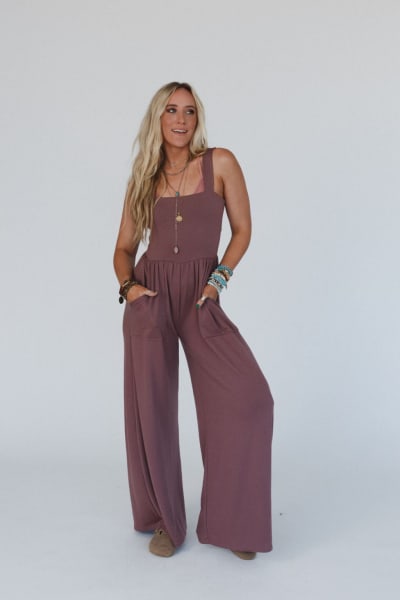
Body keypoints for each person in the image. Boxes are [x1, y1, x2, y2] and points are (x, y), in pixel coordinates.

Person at [113, 82, 274, 560]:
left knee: (250, 399)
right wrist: (130, 288)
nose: (180, 119)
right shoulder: (144, 178)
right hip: (152, 296)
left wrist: (217, 280)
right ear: (157, 119)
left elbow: (243, 230)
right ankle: (164, 519)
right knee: (152, 410)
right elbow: (123, 248)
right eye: (171, 110)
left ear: (197, 118)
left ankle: (233, 522)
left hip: (201, 297)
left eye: (188, 111)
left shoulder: (219, 162)